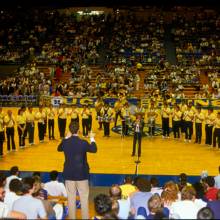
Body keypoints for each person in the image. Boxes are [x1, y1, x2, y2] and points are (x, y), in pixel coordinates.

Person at [57, 122, 97, 219]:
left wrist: (66, 137)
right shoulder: (83, 142)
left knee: (71, 199)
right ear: (79, 130)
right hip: (82, 175)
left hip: (69, 175)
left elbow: (59, 148)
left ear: (69, 130)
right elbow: (94, 149)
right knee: (84, 198)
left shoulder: (65, 142)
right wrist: (92, 138)